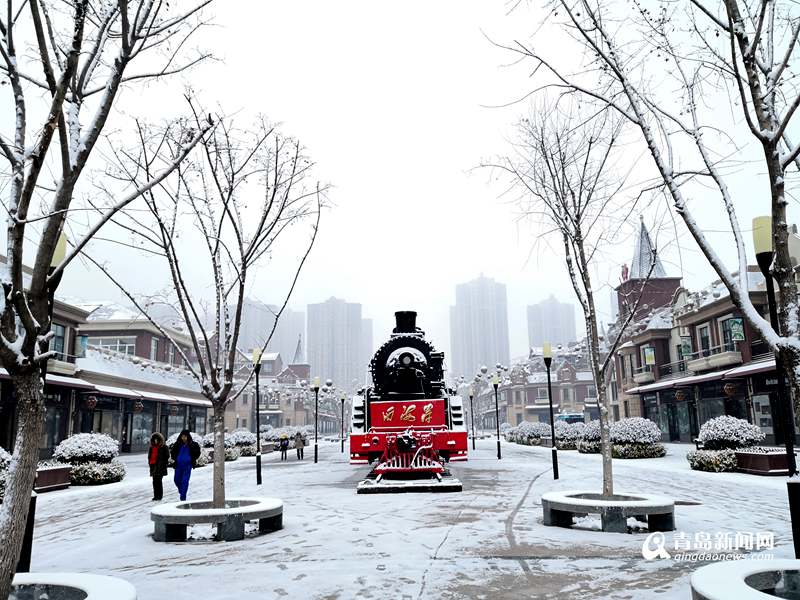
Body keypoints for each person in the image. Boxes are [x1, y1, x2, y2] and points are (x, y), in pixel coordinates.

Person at [170, 429, 201, 501]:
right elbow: (173, 452)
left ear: (188, 437)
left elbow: (197, 452)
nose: (183, 438)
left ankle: (183, 496)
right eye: (182, 436)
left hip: (187, 466)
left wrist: (192, 459)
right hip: (178, 466)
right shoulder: (177, 444)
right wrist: (175, 458)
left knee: (185, 481)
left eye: (185, 436)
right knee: (176, 480)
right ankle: (182, 491)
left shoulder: (193, 444)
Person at [148, 432, 169, 501]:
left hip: (160, 467)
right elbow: (149, 457)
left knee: (159, 481)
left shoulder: (164, 447)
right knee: (154, 481)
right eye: (154, 439)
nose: (156, 441)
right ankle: (155, 496)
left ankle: (159, 496)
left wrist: (163, 463)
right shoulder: (152, 448)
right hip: (153, 466)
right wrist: (150, 464)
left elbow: (167, 456)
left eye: (157, 439)